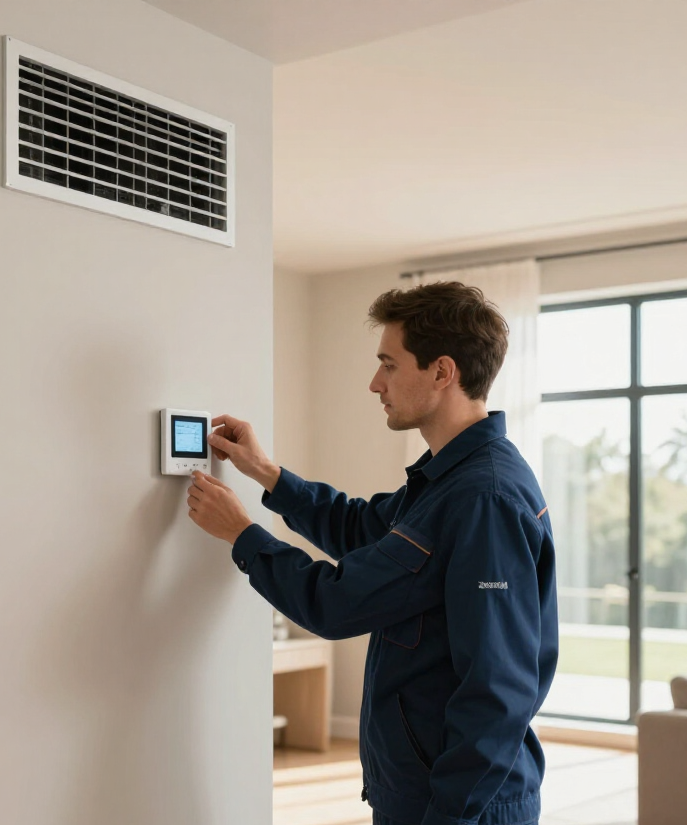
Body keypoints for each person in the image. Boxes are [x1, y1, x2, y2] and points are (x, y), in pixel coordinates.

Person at [186, 281, 558, 825]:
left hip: (461, 808)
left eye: (389, 364)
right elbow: (361, 527)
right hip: (419, 793)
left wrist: (244, 536)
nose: (374, 383)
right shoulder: (447, 482)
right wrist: (267, 474)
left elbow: (498, 689)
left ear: (442, 372)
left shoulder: (486, 498)